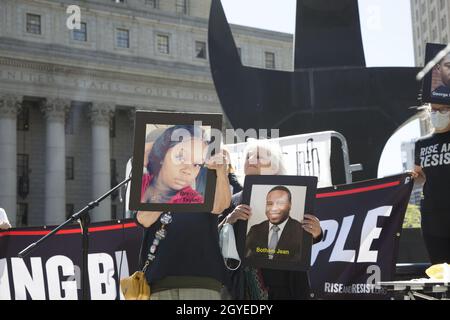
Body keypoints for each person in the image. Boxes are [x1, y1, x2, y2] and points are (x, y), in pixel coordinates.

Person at [219, 139, 323, 300]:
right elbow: (215, 236)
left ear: (274, 166)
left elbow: (302, 235)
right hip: (244, 289)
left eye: (259, 157)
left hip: (288, 287)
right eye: (248, 156)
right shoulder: (231, 201)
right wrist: (230, 220)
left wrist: (316, 232)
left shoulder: (295, 194)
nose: (251, 160)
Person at [412, 103, 450, 264]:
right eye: (433, 110)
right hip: (432, 217)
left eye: (442, 109)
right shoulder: (422, 143)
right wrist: (413, 176)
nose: (437, 113)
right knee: (439, 269)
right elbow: (420, 174)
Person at [141, 125, 207, 204]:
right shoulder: (140, 181)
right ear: (162, 154)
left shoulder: (193, 201)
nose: (188, 171)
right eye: (180, 157)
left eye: (197, 164)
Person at [245, 186, 303, 262]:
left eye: (280, 203)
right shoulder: (255, 230)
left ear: (290, 205)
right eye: (269, 204)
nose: (274, 208)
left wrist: (318, 234)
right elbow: (244, 257)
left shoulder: (300, 230)